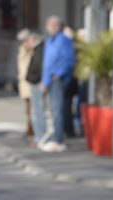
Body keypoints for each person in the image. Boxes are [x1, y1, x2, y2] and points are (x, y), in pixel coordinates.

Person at [39, 15, 75, 153]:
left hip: (57, 80)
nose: (47, 27)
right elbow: (47, 63)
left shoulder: (63, 40)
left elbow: (68, 60)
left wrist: (57, 75)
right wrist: (44, 80)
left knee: (57, 109)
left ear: (57, 26)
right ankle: (56, 136)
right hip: (50, 80)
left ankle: (57, 139)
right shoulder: (50, 41)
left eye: (50, 25)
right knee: (53, 110)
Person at [25, 31, 50, 147]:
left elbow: (39, 66)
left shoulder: (40, 49)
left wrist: (35, 79)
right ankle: (39, 135)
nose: (25, 43)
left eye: (27, 40)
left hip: (37, 82)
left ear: (33, 39)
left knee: (37, 110)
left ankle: (40, 135)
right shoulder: (39, 49)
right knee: (37, 110)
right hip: (37, 82)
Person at [16, 28, 35, 141]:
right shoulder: (22, 51)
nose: (23, 44)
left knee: (34, 109)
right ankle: (29, 129)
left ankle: (31, 130)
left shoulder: (32, 52)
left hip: (30, 84)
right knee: (27, 110)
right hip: (24, 86)